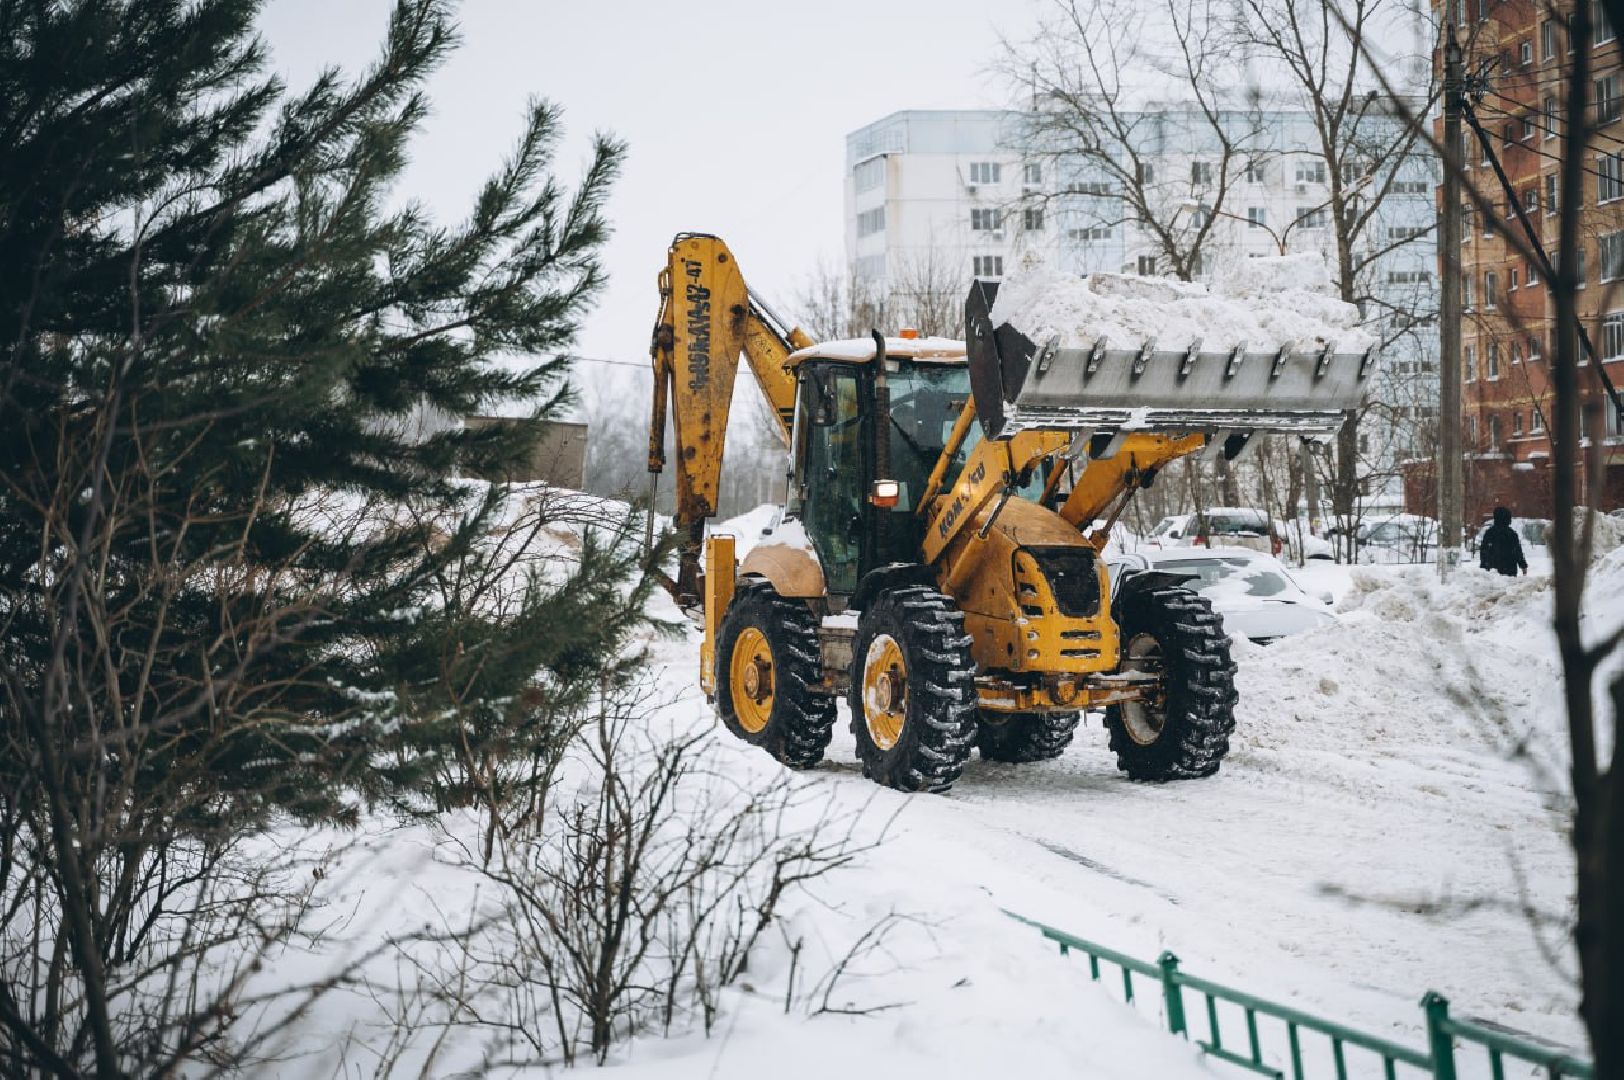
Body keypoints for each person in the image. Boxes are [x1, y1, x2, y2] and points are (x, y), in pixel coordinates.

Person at [1478, 506, 1528, 577]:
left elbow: (1483, 551)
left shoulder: (1489, 533)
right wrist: (1523, 565)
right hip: (1509, 571)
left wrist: (1484, 565)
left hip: (1491, 573)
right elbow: (1517, 552)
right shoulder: (1511, 534)